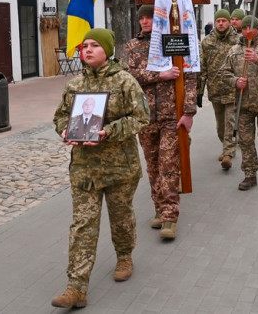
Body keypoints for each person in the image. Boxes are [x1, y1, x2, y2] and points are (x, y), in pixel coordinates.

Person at [51, 28, 149, 309]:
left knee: (121, 218)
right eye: (85, 46)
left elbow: (142, 117)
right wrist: (65, 131)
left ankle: (125, 255)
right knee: (83, 225)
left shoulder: (125, 82)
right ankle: (76, 287)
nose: (88, 50)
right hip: (85, 170)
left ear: (107, 49)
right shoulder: (75, 85)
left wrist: (110, 130)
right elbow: (59, 117)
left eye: (95, 45)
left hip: (119, 167)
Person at [125, 5, 196, 240]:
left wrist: (189, 111)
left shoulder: (173, 42)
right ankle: (158, 206)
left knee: (168, 165)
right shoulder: (132, 46)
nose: (145, 22)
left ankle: (169, 216)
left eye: (149, 18)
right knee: (153, 165)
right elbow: (129, 75)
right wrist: (160, 75)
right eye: (142, 18)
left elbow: (190, 74)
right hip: (144, 116)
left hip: (170, 116)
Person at [218, 16, 258, 191]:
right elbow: (223, 73)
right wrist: (234, 81)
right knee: (246, 141)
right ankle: (250, 174)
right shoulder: (234, 51)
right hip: (243, 104)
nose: (247, 31)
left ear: (257, 29)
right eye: (244, 28)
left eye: (250, 28)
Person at [198, 8, 240, 170]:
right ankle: (227, 146)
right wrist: (199, 91)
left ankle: (228, 153)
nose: (221, 23)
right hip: (215, 89)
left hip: (232, 88)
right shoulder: (207, 42)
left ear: (229, 22)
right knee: (220, 125)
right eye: (218, 21)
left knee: (230, 121)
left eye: (224, 20)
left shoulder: (237, 40)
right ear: (215, 23)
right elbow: (203, 68)